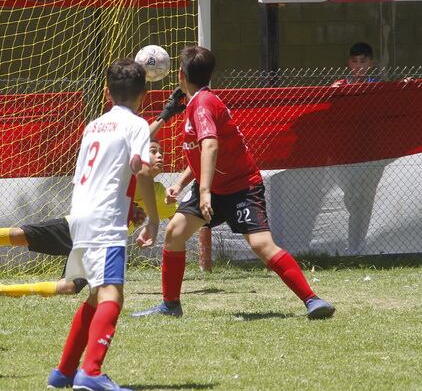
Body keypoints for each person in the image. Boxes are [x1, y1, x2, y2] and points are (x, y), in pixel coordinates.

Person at [133, 46, 335, 320]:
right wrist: (181, 184)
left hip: (241, 187)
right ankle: (170, 305)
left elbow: (211, 147)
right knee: (175, 233)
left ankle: (312, 300)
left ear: (179, 75)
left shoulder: (203, 104)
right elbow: (200, 153)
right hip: (214, 189)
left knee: (262, 246)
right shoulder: (195, 103)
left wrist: (203, 191)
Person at [46, 58, 159, 391]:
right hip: (105, 219)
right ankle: (91, 372)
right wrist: (153, 219)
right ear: (144, 94)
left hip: (79, 215)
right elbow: (139, 170)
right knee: (113, 293)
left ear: (107, 93)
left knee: (96, 294)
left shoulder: (94, 125)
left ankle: (64, 371)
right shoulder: (137, 124)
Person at [0, 139, 178, 299]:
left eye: (162, 152)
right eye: (153, 151)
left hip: (98, 247)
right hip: (78, 226)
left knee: (68, 288)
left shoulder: (159, 194)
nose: (160, 156)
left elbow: (181, 219)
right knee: (20, 235)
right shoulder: (126, 175)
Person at [269, 41, 387, 255]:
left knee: (367, 197)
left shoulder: (378, 86)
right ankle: (352, 245)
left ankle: (361, 245)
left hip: (370, 151)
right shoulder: (339, 86)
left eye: (363, 61)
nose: (358, 66)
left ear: (370, 63)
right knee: (352, 198)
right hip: (344, 153)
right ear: (348, 63)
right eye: (354, 61)